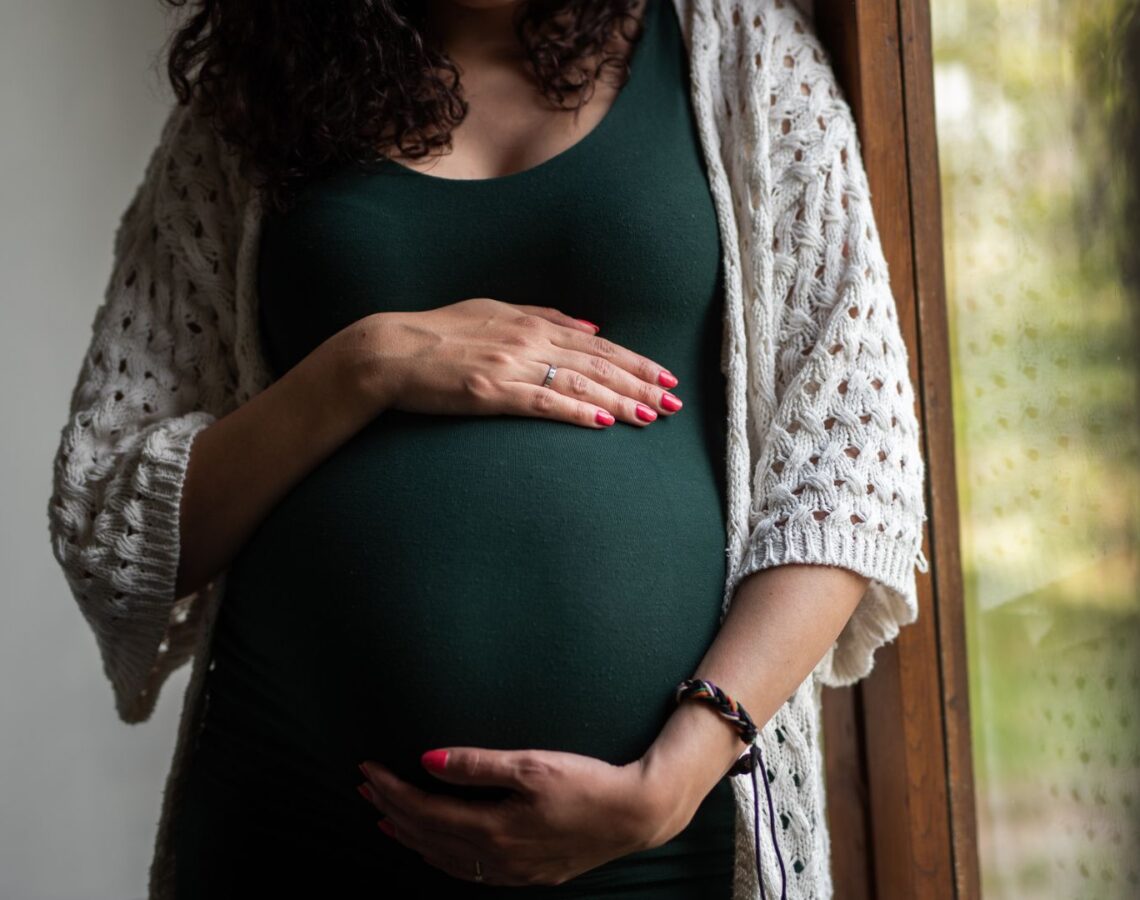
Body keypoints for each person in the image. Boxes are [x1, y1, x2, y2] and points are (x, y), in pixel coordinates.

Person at [45, 0, 929, 897]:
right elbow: (111, 509)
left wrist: (672, 783)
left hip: (654, 853)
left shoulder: (738, 44)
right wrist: (366, 363)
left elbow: (853, 465)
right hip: (293, 830)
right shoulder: (257, 96)